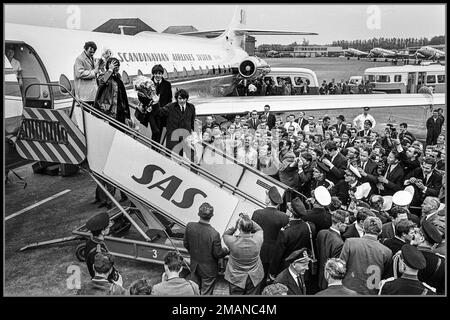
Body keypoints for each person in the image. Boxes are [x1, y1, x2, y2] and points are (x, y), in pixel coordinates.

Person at [268, 198, 316, 292]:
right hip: (303, 263)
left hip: (287, 267)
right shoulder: (310, 227)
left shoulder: (285, 232)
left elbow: (277, 254)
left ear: (291, 213)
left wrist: (272, 272)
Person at [183, 202, 229, 295]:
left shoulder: (189, 226)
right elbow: (217, 254)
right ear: (212, 216)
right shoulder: (214, 234)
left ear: (198, 214)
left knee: (195, 290)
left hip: (194, 266)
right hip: (209, 270)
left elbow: (186, 244)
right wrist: (226, 250)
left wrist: (194, 253)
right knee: (206, 293)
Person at [339, 216, 392, 295]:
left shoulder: (350, 242)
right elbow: (385, 275)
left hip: (348, 289)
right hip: (371, 292)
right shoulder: (387, 252)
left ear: (363, 228)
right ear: (380, 231)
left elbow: (340, 266)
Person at [251, 186, 289, 287]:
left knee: (258, 282)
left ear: (268, 199)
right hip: (275, 254)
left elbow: (252, 232)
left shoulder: (257, 213)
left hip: (259, 252)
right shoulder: (284, 216)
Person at [223, 214, 264, 295]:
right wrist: (248, 220)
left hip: (236, 277)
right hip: (254, 276)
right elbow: (259, 229)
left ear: (239, 227)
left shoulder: (232, 241)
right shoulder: (258, 239)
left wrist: (235, 226)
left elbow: (226, 234)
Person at [316, 210, 348, 290]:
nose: (347, 226)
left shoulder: (321, 233)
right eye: (346, 223)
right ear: (339, 224)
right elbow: (335, 267)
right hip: (329, 281)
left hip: (318, 277)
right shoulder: (340, 243)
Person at [412, 220, 445, 294]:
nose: (412, 235)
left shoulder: (407, 255)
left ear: (422, 238)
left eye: (416, 233)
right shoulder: (442, 262)